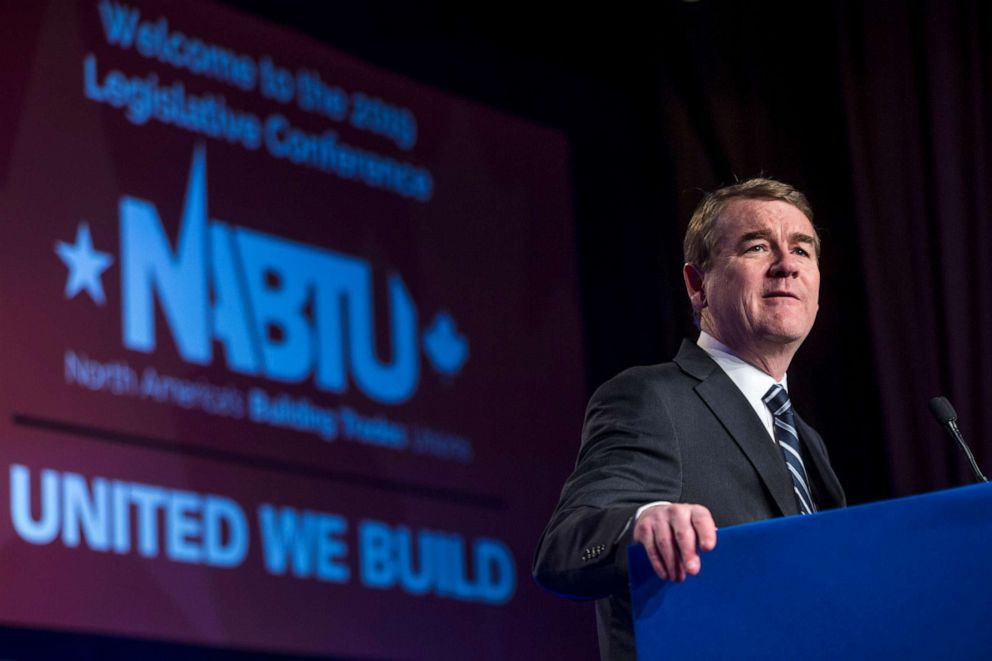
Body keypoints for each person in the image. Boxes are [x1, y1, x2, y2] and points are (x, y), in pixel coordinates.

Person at [533, 178, 846, 661]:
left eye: (802, 251)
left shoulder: (808, 441)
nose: (787, 265)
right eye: (758, 247)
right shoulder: (653, 398)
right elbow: (564, 549)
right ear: (697, 285)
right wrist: (638, 526)